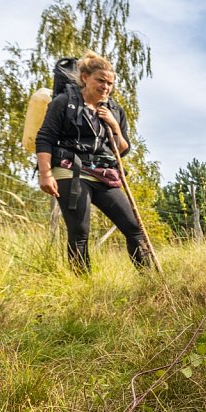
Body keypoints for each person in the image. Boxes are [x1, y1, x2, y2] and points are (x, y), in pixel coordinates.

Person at [35, 51, 150, 273]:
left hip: (103, 172)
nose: (106, 87)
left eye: (110, 83)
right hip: (70, 170)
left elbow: (122, 150)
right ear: (85, 77)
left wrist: (114, 126)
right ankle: (83, 286)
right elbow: (45, 138)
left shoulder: (115, 110)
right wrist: (45, 174)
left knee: (134, 227)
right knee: (80, 231)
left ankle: (150, 281)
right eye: (101, 81)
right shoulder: (64, 102)